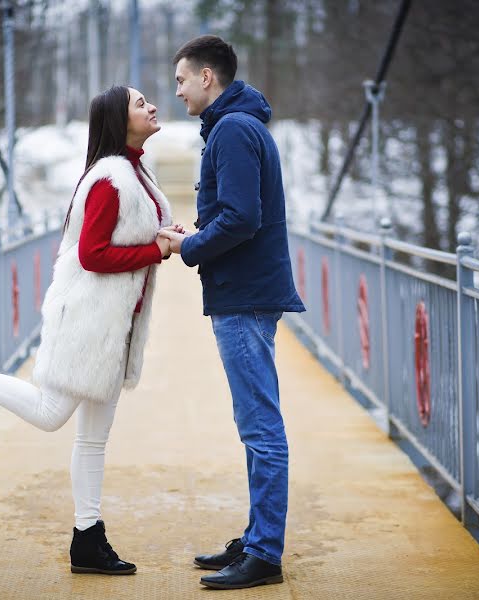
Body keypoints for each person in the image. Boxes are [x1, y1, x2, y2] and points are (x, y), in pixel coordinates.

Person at [0, 85, 182, 576]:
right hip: (90, 321)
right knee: (51, 414)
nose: (152, 106)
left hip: (116, 329)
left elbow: (138, 237)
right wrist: (157, 250)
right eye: (139, 103)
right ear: (119, 118)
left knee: (93, 440)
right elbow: (93, 255)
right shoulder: (110, 179)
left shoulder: (138, 172)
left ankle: (87, 541)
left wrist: (174, 238)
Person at [159, 35, 305, 590]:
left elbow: (242, 218)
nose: (177, 92)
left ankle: (265, 553)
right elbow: (237, 215)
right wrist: (196, 235)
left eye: (181, 81)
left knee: (261, 427)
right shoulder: (236, 127)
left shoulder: (234, 130)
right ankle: (256, 536)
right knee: (254, 425)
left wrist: (188, 247)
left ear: (206, 77)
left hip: (244, 296)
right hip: (243, 291)